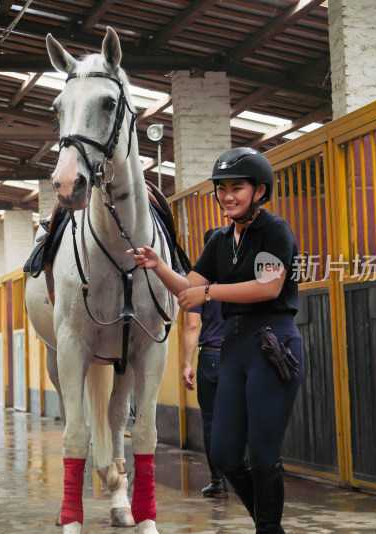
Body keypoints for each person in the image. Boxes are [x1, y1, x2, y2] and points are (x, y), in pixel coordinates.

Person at [129, 147, 303, 533]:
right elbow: (189, 289)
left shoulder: (275, 229)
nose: (228, 196)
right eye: (221, 188)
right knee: (224, 453)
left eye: (236, 188)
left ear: (259, 190)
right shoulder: (220, 240)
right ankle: (268, 523)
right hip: (234, 349)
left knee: (262, 454)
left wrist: (211, 294)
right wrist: (159, 266)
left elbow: (269, 287)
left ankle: (267, 529)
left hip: (273, 346)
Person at [182, 228, 227, 499]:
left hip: (211, 355)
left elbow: (192, 325)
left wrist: (187, 363)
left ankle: (218, 481)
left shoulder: (199, 284)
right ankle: (253, 477)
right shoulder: (243, 277)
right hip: (243, 354)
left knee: (211, 421)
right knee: (246, 417)